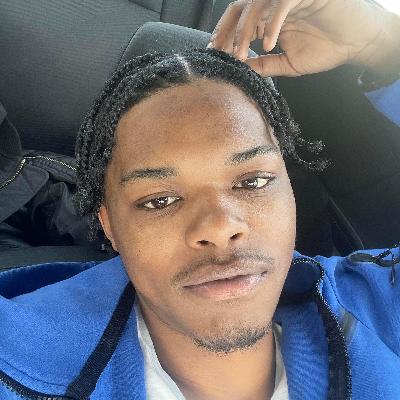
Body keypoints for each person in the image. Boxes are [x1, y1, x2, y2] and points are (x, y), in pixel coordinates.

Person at [0, 1, 398, 400]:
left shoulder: (380, 307)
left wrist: (383, 42)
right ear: (109, 226)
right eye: (160, 201)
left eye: (254, 181)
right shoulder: (16, 352)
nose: (220, 227)